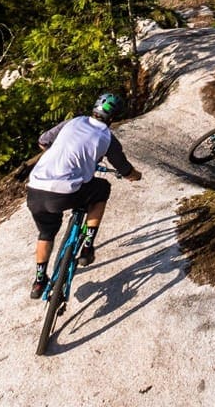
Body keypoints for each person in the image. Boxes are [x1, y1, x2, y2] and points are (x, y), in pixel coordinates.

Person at [26, 91, 141, 296]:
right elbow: (124, 169)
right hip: (64, 192)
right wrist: (135, 176)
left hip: (35, 189)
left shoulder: (73, 122)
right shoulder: (107, 138)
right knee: (102, 189)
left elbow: (43, 141)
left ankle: (39, 280)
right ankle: (87, 246)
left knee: (46, 233)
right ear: (113, 118)